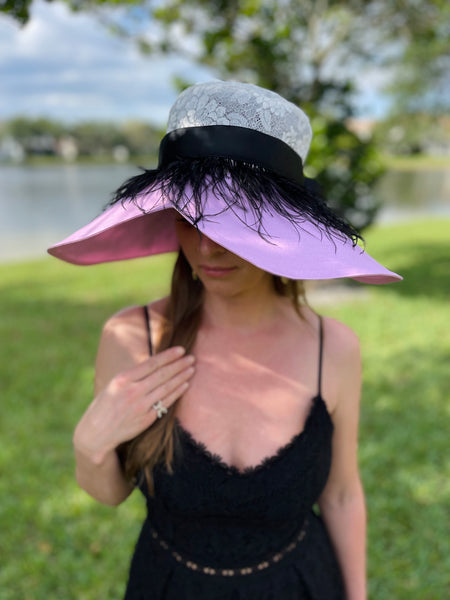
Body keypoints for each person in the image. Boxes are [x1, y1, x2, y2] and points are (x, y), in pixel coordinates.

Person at [48, 81, 401, 600]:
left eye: (236, 218)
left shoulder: (335, 348)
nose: (209, 245)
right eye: (192, 216)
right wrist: (90, 442)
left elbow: (343, 494)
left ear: (283, 226)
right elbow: (111, 493)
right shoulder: (131, 337)